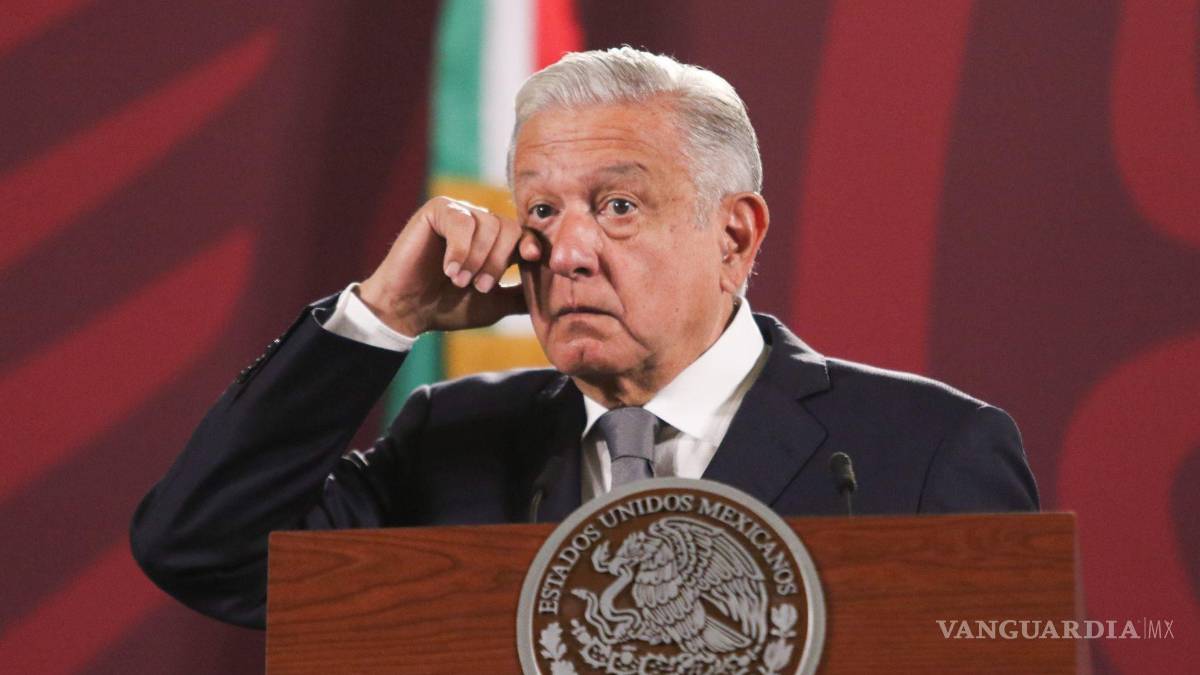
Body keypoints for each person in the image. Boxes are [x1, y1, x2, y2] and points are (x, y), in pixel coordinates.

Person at [130, 47, 1038, 629]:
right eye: (540, 210)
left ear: (734, 235)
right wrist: (381, 317)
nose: (565, 252)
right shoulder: (452, 441)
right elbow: (203, 547)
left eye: (617, 205)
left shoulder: (928, 450)